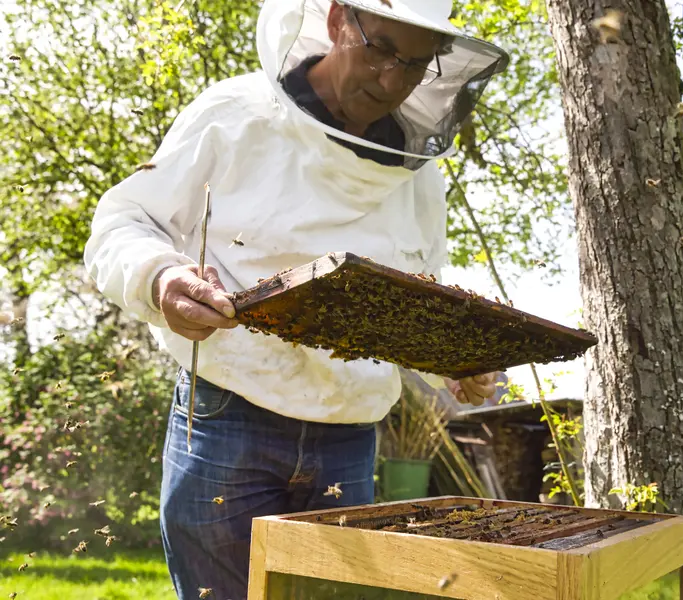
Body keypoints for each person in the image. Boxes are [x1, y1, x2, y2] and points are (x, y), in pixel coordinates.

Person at [83, 0, 509, 597]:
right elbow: (123, 222)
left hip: (349, 435)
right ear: (337, 22)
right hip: (230, 414)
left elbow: (411, 299)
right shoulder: (234, 115)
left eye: (414, 65)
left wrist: (453, 365)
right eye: (381, 49)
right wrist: (161, 279)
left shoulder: (418, 175)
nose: (392, 80)